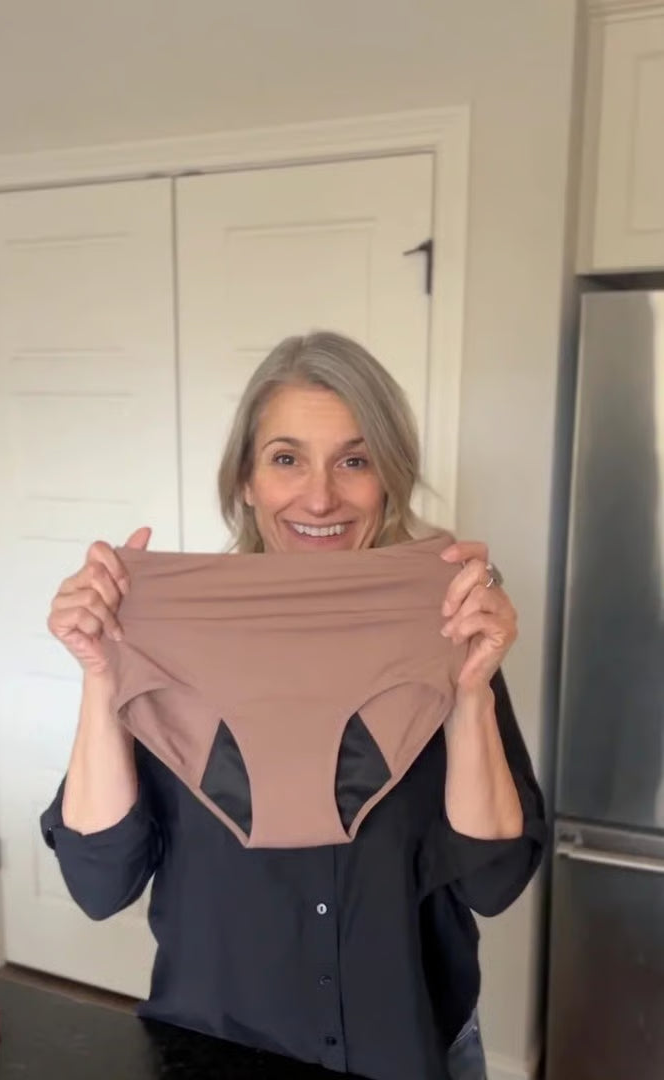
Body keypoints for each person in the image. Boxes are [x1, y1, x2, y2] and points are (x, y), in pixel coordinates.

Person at [41, 332, 545, 1080]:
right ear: (245, 480)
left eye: (354, 461)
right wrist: (102, 672)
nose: (319, 497)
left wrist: (466, 690)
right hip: (216, 1053)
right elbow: (99, 883)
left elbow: (492, 884)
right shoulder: (172, 639)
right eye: (286, 459)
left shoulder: (442, 627)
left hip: (410, 1050)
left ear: (390, 478)